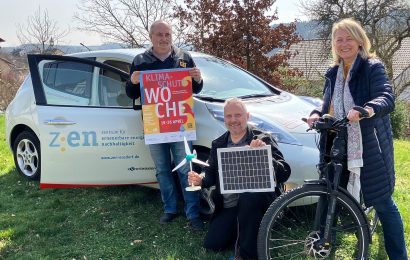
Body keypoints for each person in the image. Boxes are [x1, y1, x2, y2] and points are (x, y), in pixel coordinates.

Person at [306, 18, 408, 259]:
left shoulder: (373, 67)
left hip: (368, 145)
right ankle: (324, 246)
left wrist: (367, 109)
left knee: (382, 202)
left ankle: (399, 256)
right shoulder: (332, 72)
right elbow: (326, 106)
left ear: (360, 40)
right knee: (330, 193)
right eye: (338, 39)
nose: (344, 44)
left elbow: (386, 96)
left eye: (348, 38)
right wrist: (315, 114)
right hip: (337, 144)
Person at [188, 98, 291, 259]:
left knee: (248, 198)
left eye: (238, 115)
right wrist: (200, 179)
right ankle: (249, 232)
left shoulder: (262, 138)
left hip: (257, 202)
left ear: (247, 116)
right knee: (213, 243)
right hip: (230, 205)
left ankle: (246, 253)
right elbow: (211, 174)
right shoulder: (219, 143)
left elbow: (285, 172)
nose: (233, 120)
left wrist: (266, 155)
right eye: (229, 116)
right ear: (224, 118)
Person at [125, 20, 204, 230]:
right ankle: (170, 209)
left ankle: (193, 213)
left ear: (172, 36)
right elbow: (132, 94)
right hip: (155, 126)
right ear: (151, 37)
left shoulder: (184, 57)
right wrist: (132, 82)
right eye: (159, 34)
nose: (164, 38)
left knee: (186, 169)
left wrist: (197, 78)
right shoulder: (140, 60)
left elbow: (196, 89)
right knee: (162, 170)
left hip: (180, 124)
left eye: (167, 34)